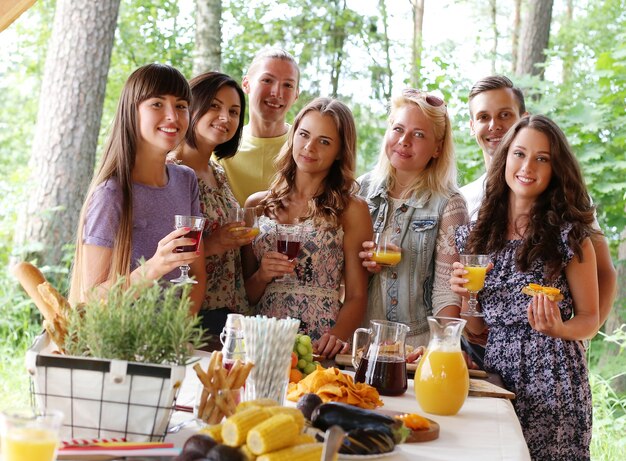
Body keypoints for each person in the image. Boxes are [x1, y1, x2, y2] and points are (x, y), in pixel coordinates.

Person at [451, 115, 598, 460]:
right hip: (498, 375)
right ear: (505, 158)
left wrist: (560, 328)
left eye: (541, 158)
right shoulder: (477, 234)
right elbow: (475, 330)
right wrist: (467, 296)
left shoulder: (570, 237)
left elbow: (590, 319)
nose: (527, 166)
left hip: (555, 377)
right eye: (519, 154)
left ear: (555, 169)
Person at [462, 76, 616, 366]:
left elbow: (605, 275)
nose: (495, 126)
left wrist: (573, 334)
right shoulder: (464, 202)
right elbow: (469, 306)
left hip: (552, 361)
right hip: (482, 356)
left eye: (505, 115)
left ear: (523, 118)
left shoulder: (569, 209)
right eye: (484, 117)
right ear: (472, 126)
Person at [69, 64, 206, 313]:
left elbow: (197, 274)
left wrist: (180, 335)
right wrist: (154, 266)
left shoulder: (186, 180)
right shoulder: (112, 194)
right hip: (122, 344)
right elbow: (89, 299)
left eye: (181, 106)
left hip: (172, 343)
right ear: (132, 112)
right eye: (157, 104)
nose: (173, 117)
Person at [242, 97, 372, 359]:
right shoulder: (256, 205)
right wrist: (262, 275)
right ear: (293, 137)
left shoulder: (352, 209)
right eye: (304, 135)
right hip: (262, 341)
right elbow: (245, 294)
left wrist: (336, 337)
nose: (309, 147)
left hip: (318, 345)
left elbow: (357, 295)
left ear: (339, 152)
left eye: (324, 141)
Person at [358, 89, 468, 349]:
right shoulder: (359, 191)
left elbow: (447, 291)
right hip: (362, 341)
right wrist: (361, 267)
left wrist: (445, 348)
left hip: (417, 346)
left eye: (419, 134)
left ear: (438, 148)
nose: (404, 141)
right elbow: (336, 278)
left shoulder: (449, 204)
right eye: (398, 129)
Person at [168, 72, 253, 336]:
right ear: (191, 107)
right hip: (190, 313)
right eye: (214, 106)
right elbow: (157, 254)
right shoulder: (170, 171)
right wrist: (215, 242)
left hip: (230, 311)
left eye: (234, 111)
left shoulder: (217, 172)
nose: (226, 118)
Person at [220, 48, 300, 205]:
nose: (277, 93)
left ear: (296, 94)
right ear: (246, 84)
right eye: (267, 80)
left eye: (288, 85)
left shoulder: (304, 148)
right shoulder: (220, 145)